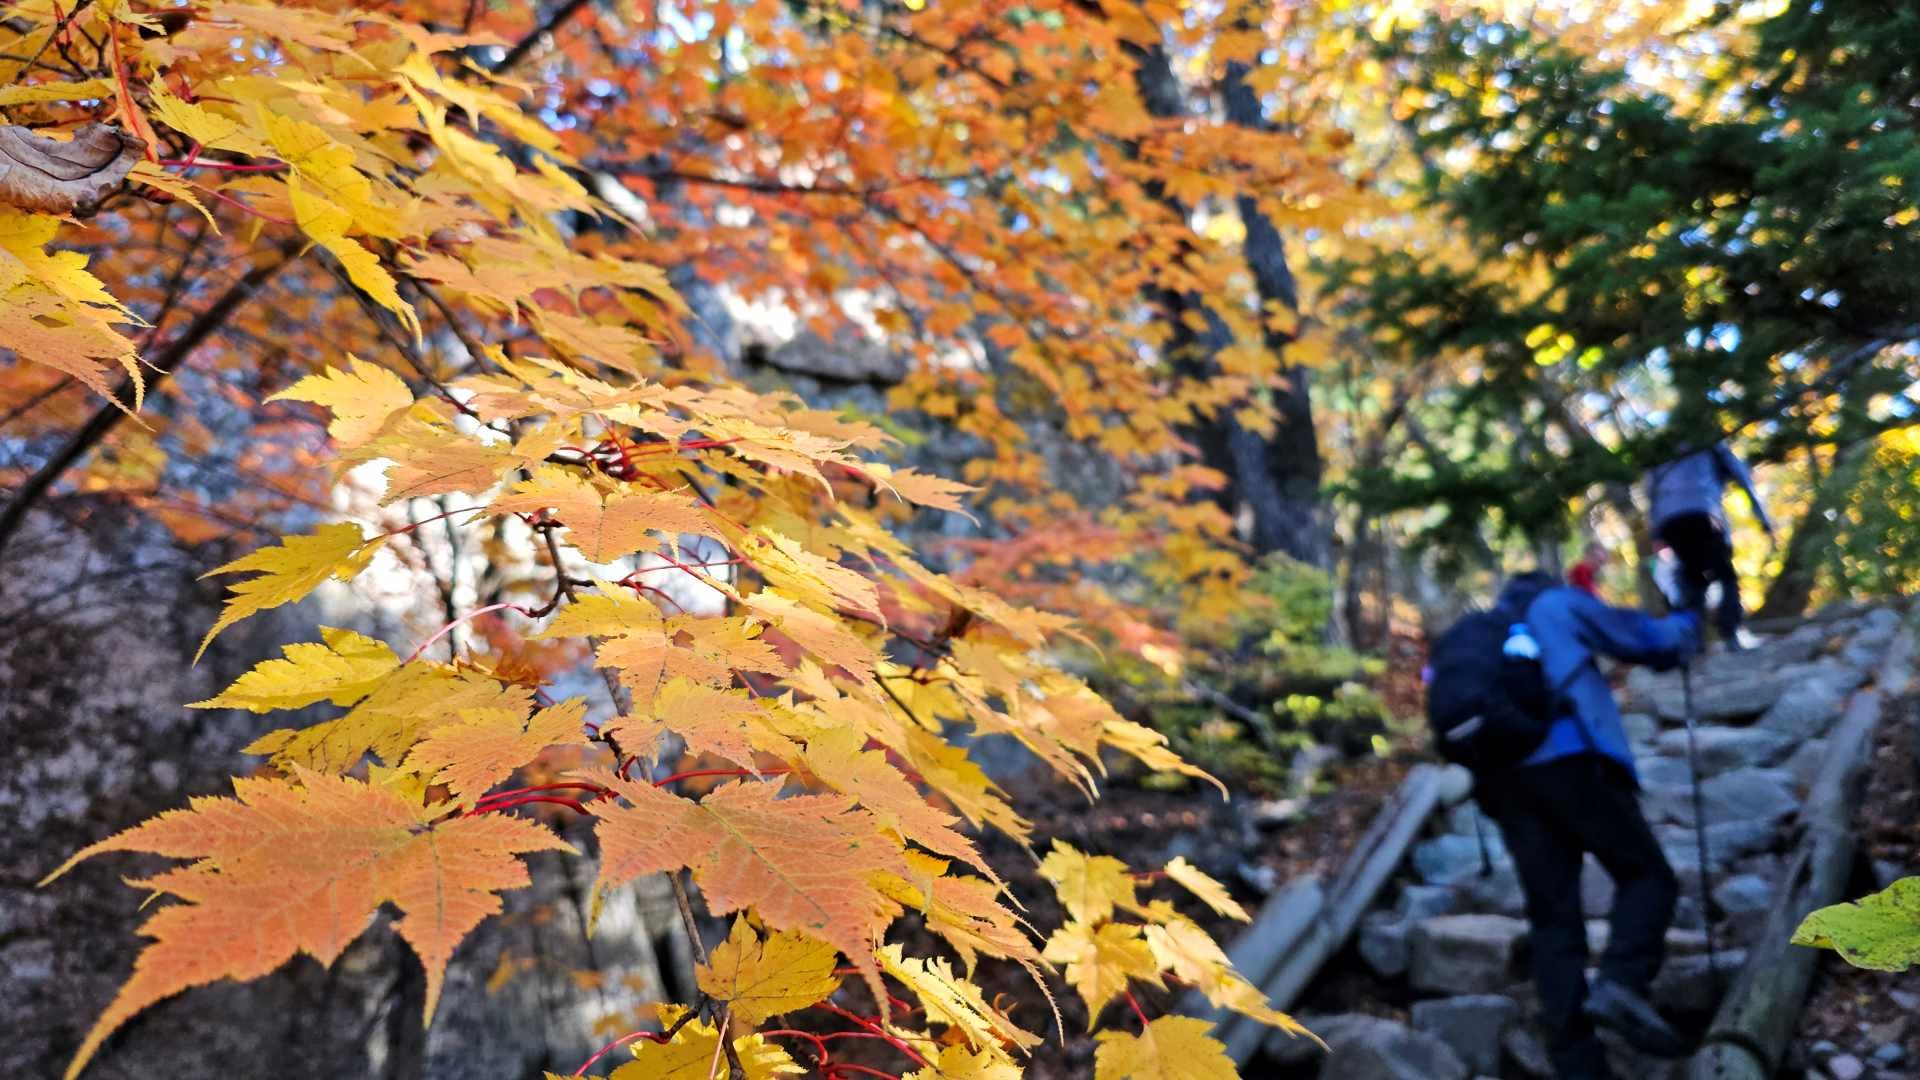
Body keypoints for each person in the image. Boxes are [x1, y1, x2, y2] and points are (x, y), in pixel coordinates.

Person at [1476, 571, 1702, 1080]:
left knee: (1553, 921)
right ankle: (1621, 982)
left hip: (1506, 785)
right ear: (1547, 583)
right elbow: (1645, 639)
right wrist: (1689, 621)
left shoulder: (1487, 632)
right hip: (1573, 760)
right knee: (1648, 875)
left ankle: (1578, 1064)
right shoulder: (1559, 605)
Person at [1645, 441, 1773, 646]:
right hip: (1704, 513)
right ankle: (1731, 632)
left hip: (1669, 521)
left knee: (1691, 579)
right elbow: (1742, 477)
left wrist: (1656, 533)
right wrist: (1764, 519)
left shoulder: (1664, 447)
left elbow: (1651, 489)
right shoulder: (1712, 443)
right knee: (1725, 575)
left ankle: (1692, 640)